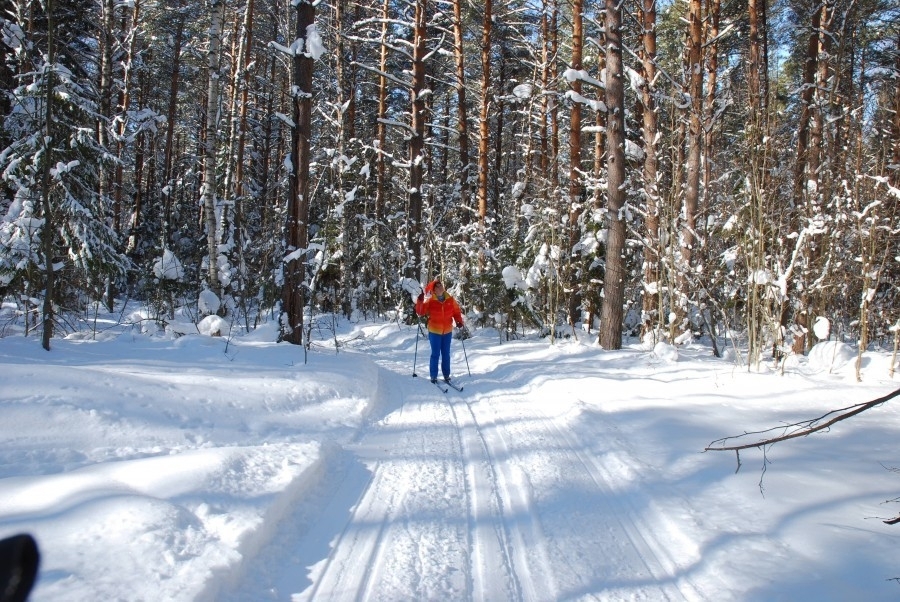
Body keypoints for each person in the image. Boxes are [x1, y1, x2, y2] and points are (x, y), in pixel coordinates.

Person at [415, 279, 466, 383]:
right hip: (434, 331)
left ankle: (446, 375)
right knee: (435, 354)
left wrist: (459, 321)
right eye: (437, 286)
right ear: (434, 290)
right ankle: (433, 376)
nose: (440, 287)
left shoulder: (450, 300)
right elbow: (420, 312)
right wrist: (420, 301)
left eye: (440, 285)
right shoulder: (431, 301)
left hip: (447, 331)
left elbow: (456, 311)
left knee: (446, 354)